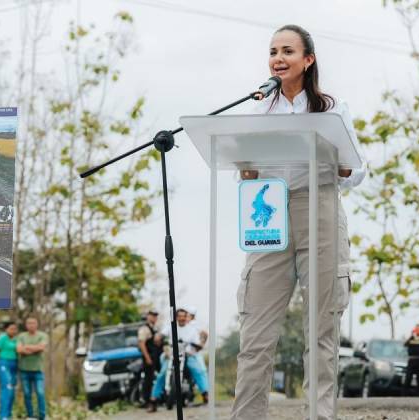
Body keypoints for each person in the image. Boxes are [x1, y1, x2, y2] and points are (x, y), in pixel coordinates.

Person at [231, 24, 367, 420]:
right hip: (268, 208)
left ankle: (318, 416)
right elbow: (243, 164)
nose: (278, 58)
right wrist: (247, 171)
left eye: (288, 51)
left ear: (308, 60)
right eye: (273, 51)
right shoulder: (257, 111)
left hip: (319, 207)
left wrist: (342, 165)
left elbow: (357, 171)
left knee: (320, 329)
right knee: (255, 332)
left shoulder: (331, 109)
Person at [151, 307, 209, 409]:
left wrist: (198, 346)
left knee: (198, 370)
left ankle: (205, 394)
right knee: (162, 373)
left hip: (187, 355)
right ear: (176, 317)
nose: (182, 318)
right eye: (179, 316)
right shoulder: (170, 326)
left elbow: (198, 343)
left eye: (184, 316)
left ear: (186, 317)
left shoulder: (192, 329)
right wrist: (158, 337)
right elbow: (161, 335)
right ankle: (154, 399)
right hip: (171, 355)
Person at [17, 316, 49, 420]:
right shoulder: (21, 336)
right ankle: (30, 415)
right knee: (27, 394)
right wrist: (35, 348)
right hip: (24, 370)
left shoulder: (43, 335)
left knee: (40, 392)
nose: (31, 325)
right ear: (26, 325)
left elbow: (42, 347)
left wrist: (27, 347)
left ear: (37, 324)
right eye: (29, 323)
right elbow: (19, 350)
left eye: (33, 323)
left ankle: (42, 415)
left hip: (38, 370)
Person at [0, 322, 19, 420]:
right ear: (6, 329)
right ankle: (3, 416)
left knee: (12, 390)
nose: (13, 331)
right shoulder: (2, 338)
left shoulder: (16, 339)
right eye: (11, 328)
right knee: (6, 388)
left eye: (15, 329)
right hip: (3, 363)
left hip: (14, 364)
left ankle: (8, 414)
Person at [138, 310, 162, 412]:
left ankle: (158, 399)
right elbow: (141, 344)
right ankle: (147, 401)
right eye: (152, 316)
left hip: (157, 356)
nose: (154, 318)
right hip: (149, 357)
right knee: (148, 379)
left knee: (160, 377)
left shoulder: (156, 328)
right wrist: (147, 358)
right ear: (148, 316)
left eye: (156, 316)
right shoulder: (144, 329)